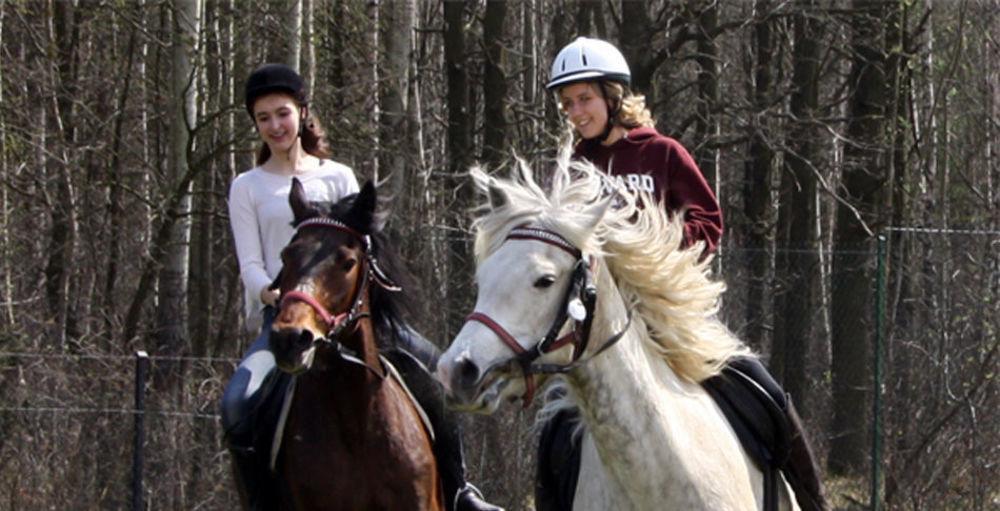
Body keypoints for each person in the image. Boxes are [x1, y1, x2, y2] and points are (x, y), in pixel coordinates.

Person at [536, 38, 827, 511]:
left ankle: (813, 499)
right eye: (567, 103)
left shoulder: (661, 153)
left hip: (668, 315)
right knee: (554, 424)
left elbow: (709, 220)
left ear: (613, 97)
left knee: (762, 388)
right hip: (602, 323)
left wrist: (655, 251)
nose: (575, 111)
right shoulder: (574, 168)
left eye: (584, 98)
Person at [220, 63, 503, 511]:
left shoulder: (339, 176)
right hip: (287, 317)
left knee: (438, 375)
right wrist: (276, 296)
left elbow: (366, 252)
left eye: (282, 113)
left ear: (302, 112)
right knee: (237, 404)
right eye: (263, 118)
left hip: (353, 316)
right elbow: (251, 264)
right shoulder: (247, 187)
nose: (274, 125)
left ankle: (462, 490)